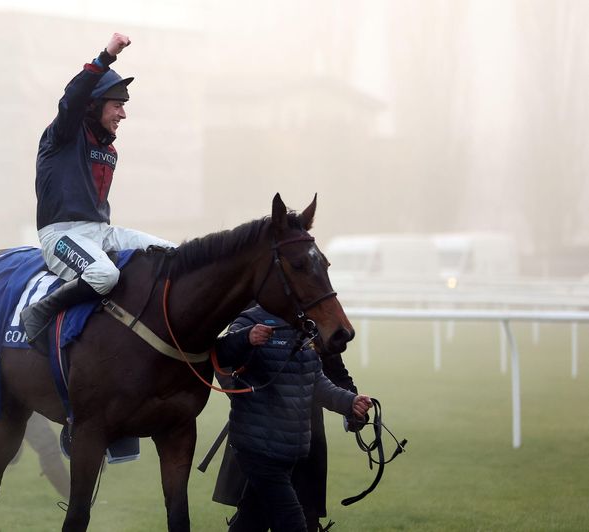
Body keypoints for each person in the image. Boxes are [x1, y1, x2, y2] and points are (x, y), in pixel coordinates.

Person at [20, 32, 175, 353]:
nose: (123, 114)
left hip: (101, 233)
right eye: (117, 105)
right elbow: (72, 98)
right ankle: (41, 310)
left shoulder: (111, 151)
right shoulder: (63, 135)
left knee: (173, 252)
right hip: (60, 236)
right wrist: (107, 56)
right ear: (94, 106)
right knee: (104, 274)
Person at [213, 305, 372, 532]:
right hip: (259, 442)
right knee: (294, 522)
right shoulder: (250, 316)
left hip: (297, 445)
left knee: (252, 519)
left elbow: (320, 378)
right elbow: (221, 354)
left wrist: (350, 402)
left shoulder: (308, 324)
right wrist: (245, 341)